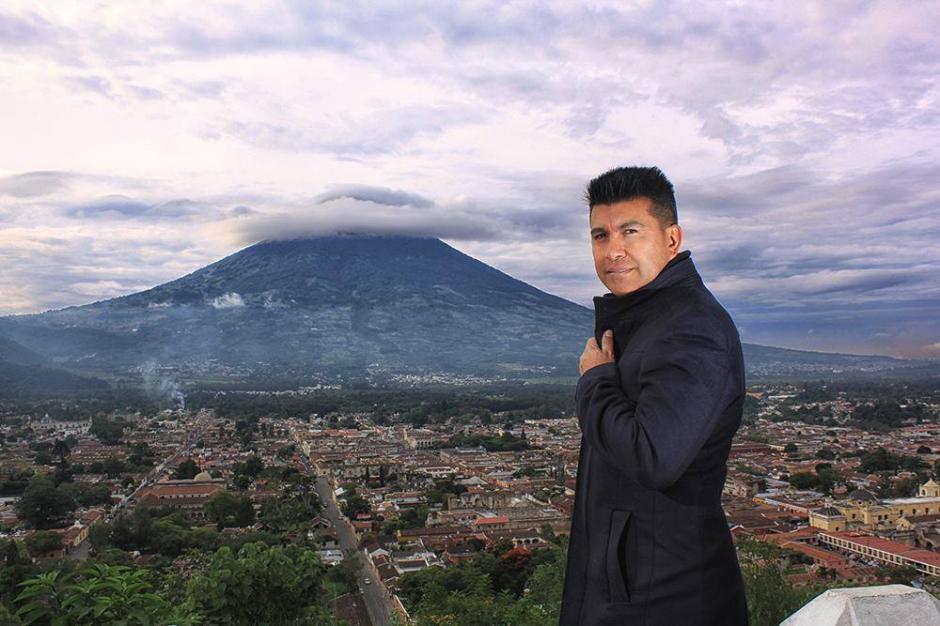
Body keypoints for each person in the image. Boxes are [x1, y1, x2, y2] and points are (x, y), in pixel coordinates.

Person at [559, 166, 748, 625]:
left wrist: (596, 383)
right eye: (600, 235)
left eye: (630, 231)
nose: (613, 250)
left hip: (668, 595)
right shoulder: (645, 324)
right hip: (637, 582)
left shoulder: (691, 329)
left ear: (671, 238)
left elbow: (653, 457)